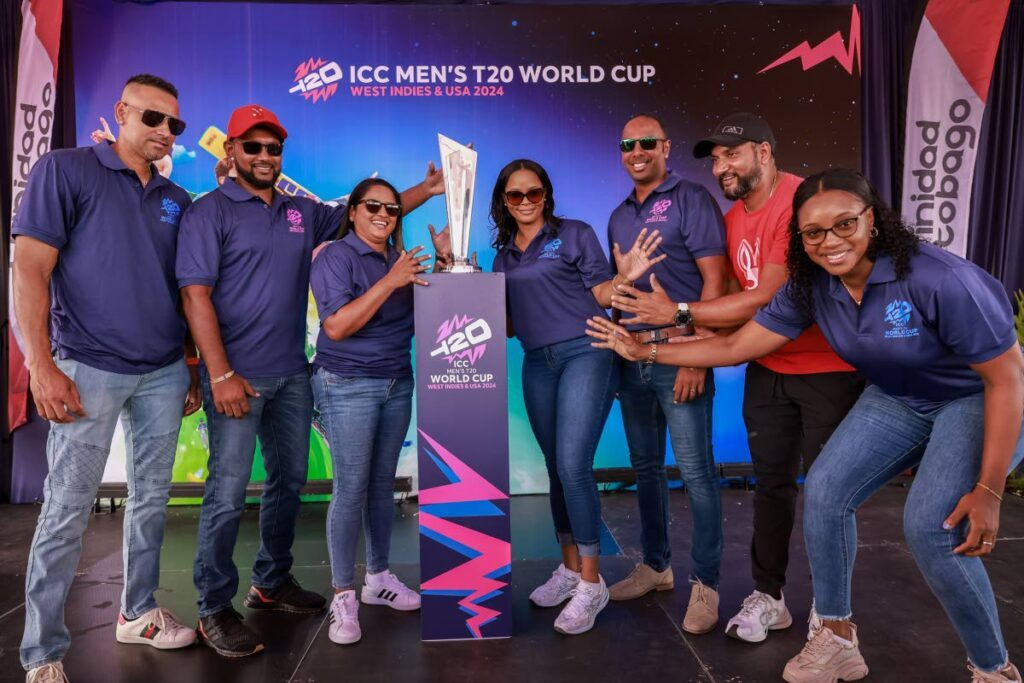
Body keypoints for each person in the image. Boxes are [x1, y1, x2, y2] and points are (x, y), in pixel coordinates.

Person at [587, 168, 1024, 683]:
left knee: (930, 527)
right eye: (812, 232)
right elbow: (735, 346)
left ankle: (993, 669)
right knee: (824, 489)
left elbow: (1008, 380)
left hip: (975, 397)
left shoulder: (939, 278)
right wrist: (646, 348)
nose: (829, 241)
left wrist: (990, 490)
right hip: (901, 396)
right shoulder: (811, 286)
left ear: (874, 222)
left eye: (844, 225)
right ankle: (837, 638)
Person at [175, 105, 444, 657]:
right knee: (226, 496)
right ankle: (212, 608)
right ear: (231, 151)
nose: (265, 157)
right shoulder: (208, 213)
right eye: (253, 147)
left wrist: (427, 190)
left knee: (289, 484)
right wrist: (217, 373)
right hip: (236, 378)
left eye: (274, 149)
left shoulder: (301, 212)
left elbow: (369, 212)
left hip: (294, 374)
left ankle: (270, 583)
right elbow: (194, 295)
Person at [611, 113, 863, 642]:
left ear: (765, 153)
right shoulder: (732, 217)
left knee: (827, 494)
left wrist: (679, 324)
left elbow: (768, 296)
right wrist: (686, 335)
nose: (722, 166)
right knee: (770, 487)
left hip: (826, 368)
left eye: (734, 154)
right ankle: (770, 598)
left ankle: (832, 614)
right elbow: (723, 291)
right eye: (717, 159)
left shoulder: (797, 203)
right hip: (767, 365)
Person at [13, 74, 202, 683]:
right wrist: (40, 365)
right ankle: (42, 652)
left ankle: (138, 612)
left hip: (164, 373)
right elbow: (30, 271)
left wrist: (192, 365)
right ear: (121, 112)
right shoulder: (65, 170)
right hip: (85, 368)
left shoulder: (178, 199)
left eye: (174, 124)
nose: (164, 132)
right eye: (152, 119)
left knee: (150, 504)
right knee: (66, 510)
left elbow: (185, 290)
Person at [488, 159, 665, 634]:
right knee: (555, 469)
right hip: (535, 361)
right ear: (503, 201)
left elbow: (603, 292)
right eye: (515, 195)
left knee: (572, 465)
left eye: (534, 192)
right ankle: (569, 570)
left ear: (547, 193)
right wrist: (452, 278)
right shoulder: (504, 254)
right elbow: (504, 323)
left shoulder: (574, 234)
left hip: (587, 350)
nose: (525, 202)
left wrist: (624, 277)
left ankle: (592, 583)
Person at [604, 114, 729, 635]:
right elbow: (620, 290)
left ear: (665, 147)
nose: (637, 150)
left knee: (697, 474)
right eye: (628, 143)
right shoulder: (617, 215)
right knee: (646, 468)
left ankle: (707, 583)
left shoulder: (689, 199)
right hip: (632, 358)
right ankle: (657, 567)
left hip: (680, 355)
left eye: (647, 143)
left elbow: (715, 281)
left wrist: (699, 353)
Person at [309, 178, 437, 645]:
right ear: (354, 211)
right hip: (346, 384)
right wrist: (390, 281)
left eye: (392, 208)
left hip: (395, 382)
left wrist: (441, 265)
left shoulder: (395, 258)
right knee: (351, 489)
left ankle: (377, 579)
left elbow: (425, 311)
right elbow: (338, 326)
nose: (383, 214)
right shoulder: (335, 256)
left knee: (382, 486)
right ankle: (343, 593)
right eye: (373, 206)